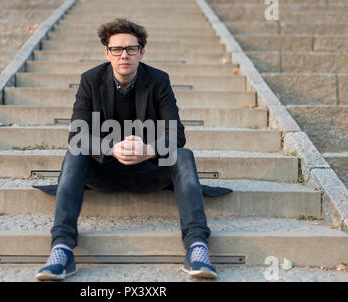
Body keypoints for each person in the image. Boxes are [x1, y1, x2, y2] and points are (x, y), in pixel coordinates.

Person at [34, 18, 227, 281]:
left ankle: (197, 247)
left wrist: (149, 150)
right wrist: (112, 149)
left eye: (131, 49)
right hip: (105, 170)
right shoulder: (90, 80)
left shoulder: (159, 80)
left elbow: (176, 134)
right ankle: (62, 249)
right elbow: (77, 135)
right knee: (75, 153)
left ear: (141, 52)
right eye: (117, 49)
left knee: (183, 155)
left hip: (148, 170)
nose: (124, 54)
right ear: (107, 53)